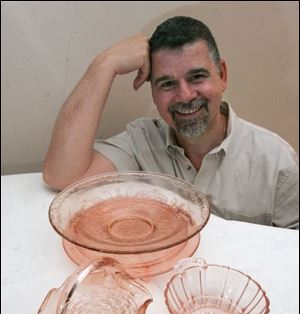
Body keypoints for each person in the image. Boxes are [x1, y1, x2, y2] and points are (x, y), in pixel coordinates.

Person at [43, 16, 299, 229]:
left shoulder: (277, 162)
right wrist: (104, 64)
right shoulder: (139, 142)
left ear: (222, 75)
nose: (185, 95)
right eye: (167, 83)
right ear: (153, 91)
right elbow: (61, 177)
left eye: (197, 76)